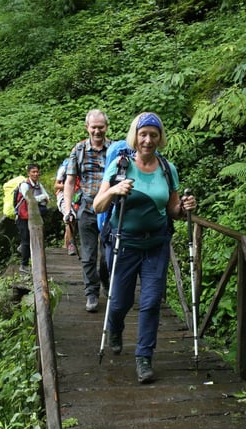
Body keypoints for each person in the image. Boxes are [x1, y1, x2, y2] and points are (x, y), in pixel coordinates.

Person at [93, 112, 197, 384]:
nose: (148, 140)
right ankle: (115, 328)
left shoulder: (167, 168)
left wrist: (183, 207)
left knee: (151, 302)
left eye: (153, 134)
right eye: (143, 134)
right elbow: (98, 206)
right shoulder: (120, 164)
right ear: (135, 137)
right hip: (124, 244)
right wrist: (115, 191)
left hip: (156, 244)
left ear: (160, 138)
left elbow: (172, 209)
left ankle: (144, 357)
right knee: (119, 301)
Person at [63, 109, 112, 312]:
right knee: (89, 253)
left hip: (110, 209)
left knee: (108, 253)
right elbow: (70, 181)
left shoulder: (115, 149)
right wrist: (68, 209)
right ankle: (91, 293)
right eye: (94, 127)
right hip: (87, 208)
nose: (97, 131)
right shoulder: (79, 150)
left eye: (101, 127)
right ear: (87, 127)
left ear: (106, 127)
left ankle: (106, 284)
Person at [15, 163, 50, 272]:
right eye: (33, 172)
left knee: (33, 238)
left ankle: (32, 260)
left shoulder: (38, 184)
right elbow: (30, 199)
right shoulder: (24, 185)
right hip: (23, 217)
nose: (36, 174)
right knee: (26, 240)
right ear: (28, 173)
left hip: (33, 215)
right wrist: (42, 197)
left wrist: (43, 197)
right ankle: (24, 265)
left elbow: (47, 196)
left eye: (37, 172)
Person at [54, 158, 77, 256]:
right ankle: (71, 245)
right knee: (70, 218)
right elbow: (56, 185)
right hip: (64, 196)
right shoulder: (65, 167)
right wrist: (68, 186)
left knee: (72, 222)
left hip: (76, 196)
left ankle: (65, 245)